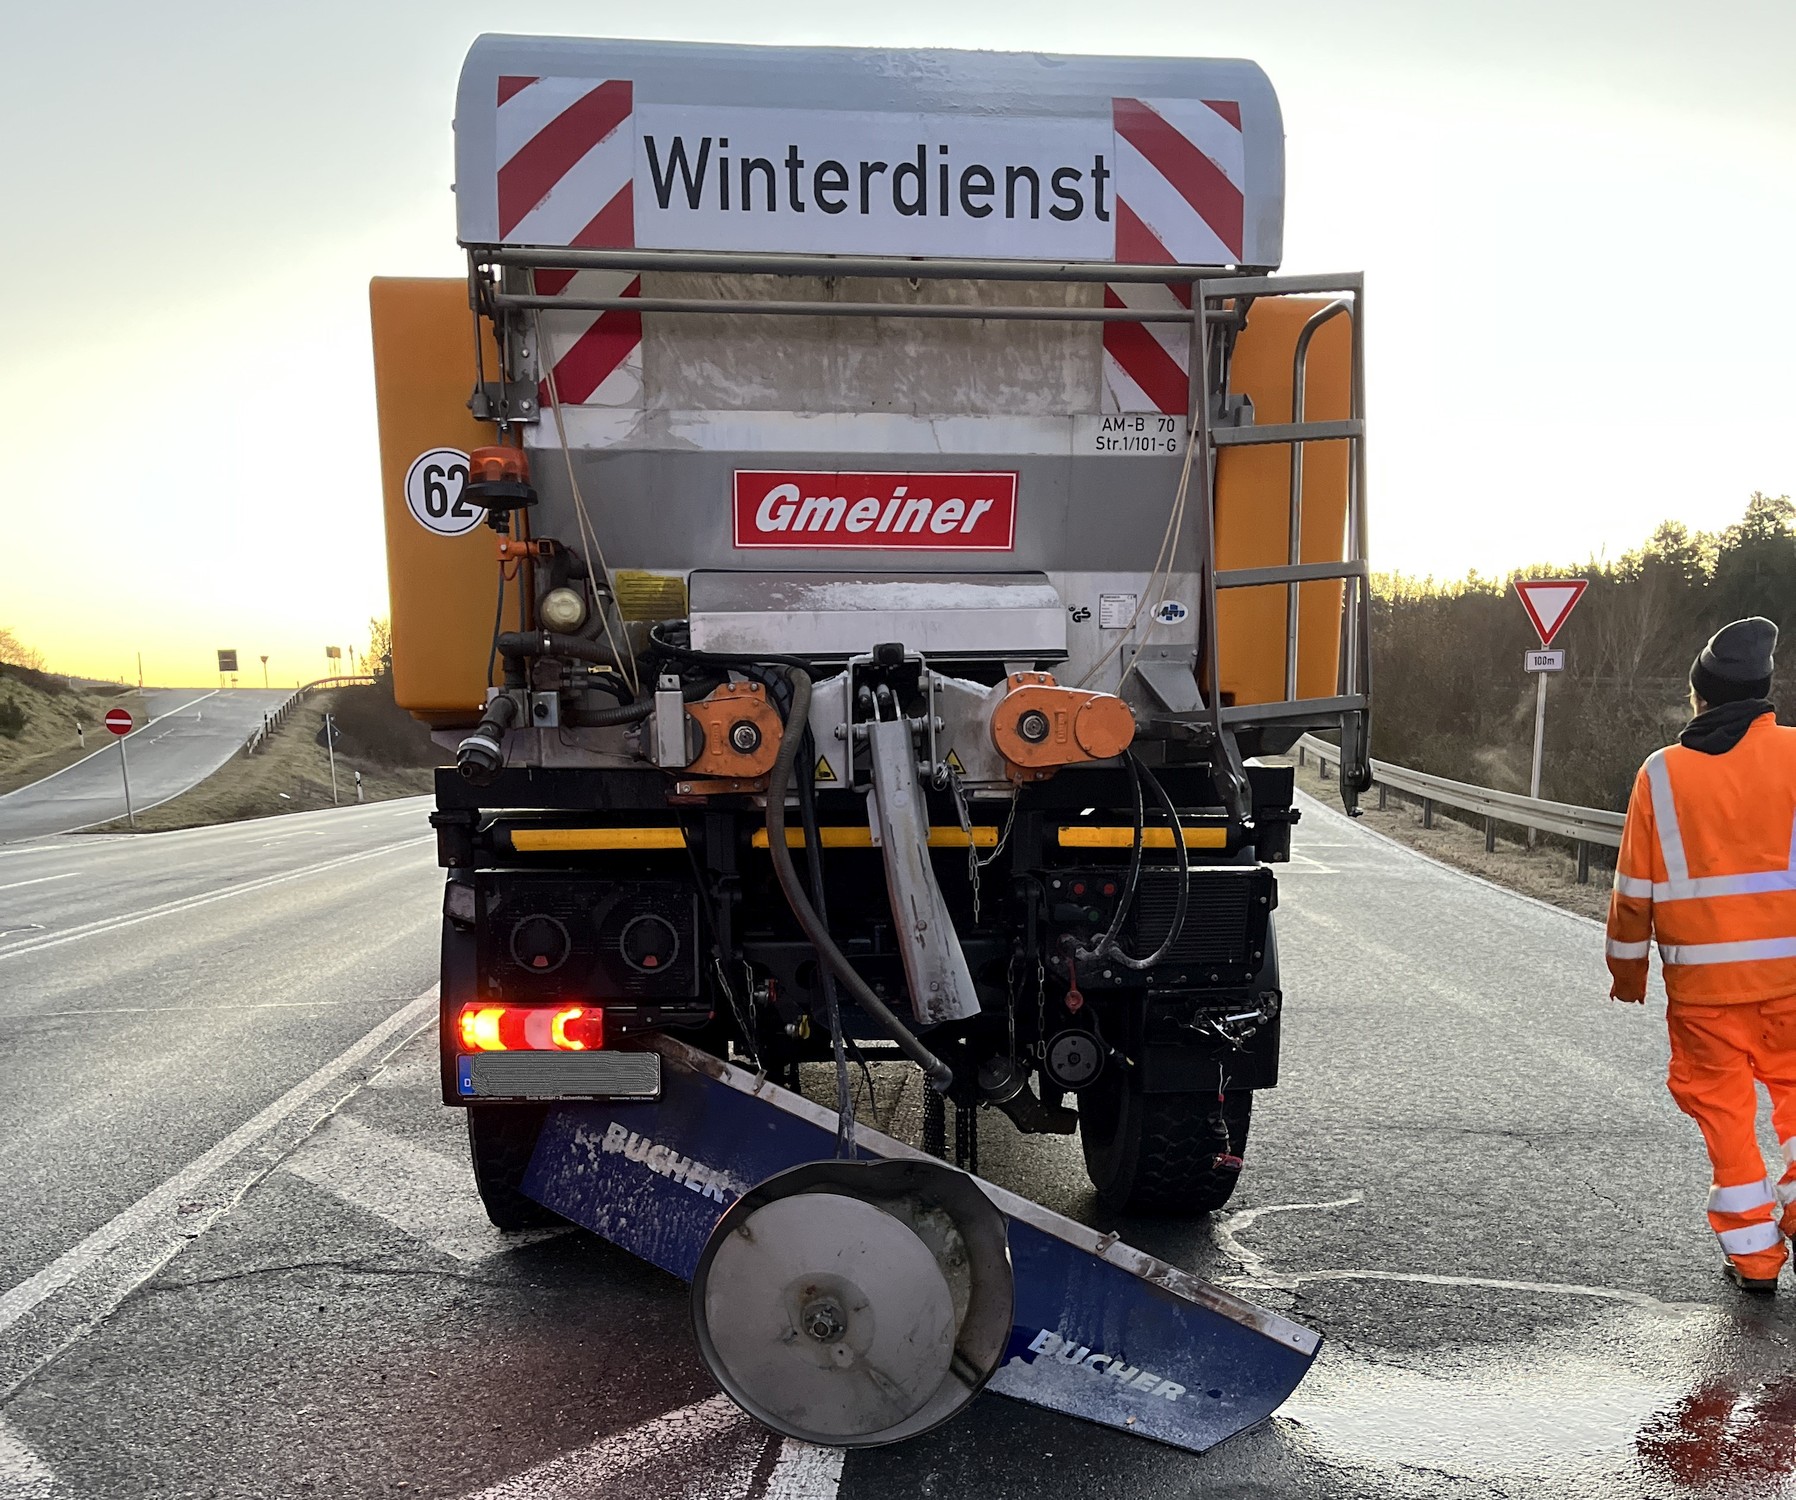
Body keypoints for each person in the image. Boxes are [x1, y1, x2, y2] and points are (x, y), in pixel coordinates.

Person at [1607, 617, 1796, 1293]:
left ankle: (1754, 1260)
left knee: (1724, 1116)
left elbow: (1634, 891)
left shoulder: (1662, 775)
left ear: (1702, 696)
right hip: (1792, 984)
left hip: (1705, 994)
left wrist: (1629, 973)